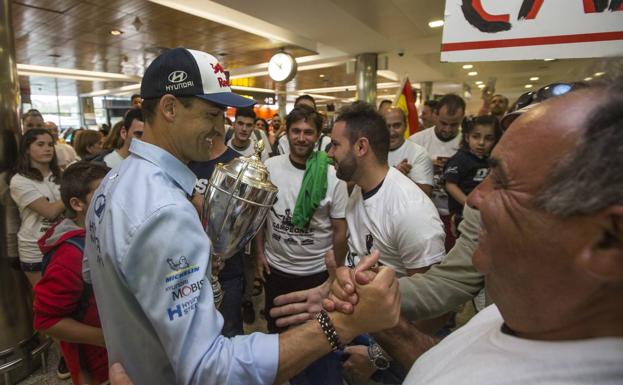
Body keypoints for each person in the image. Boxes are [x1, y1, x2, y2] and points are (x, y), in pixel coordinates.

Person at [84, 47, 400, 385]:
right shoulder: (167, 211)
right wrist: (340, 325)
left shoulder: (113, 182)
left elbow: (96, 273)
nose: (221, 128)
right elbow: (210, 368)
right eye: (211, 114)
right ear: (170, 108)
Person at [333, 81, 623, 384]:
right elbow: (447, 283)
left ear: (607, 239)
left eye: (505, 182)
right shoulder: (502, 314)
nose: (473, 198)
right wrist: (356, 292)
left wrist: (378, 350)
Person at [255, 105, 348, 384]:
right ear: (287, 133)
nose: (301, 138)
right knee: (281, 344)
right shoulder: (270, 168)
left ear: (319, 136)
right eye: (296, 131)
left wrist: (335, 275)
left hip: (316, 276)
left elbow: (340, 231)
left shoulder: (333, 177)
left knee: (319, 344)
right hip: (278, 271)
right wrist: (259, 254)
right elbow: (259, 216)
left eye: (309, 132)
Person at [33, 161, 110, 385]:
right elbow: (46, 320)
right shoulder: (71, 255)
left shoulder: (109, 233)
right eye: (104, 193)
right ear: (77, 204)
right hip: (96, 365)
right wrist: (108, 338)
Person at [188, 120, 247, 337]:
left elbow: (244, 218)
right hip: (189, 265)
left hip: (227, 268)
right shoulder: (185, 161)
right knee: (195, 336)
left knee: (229, 332)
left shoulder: (237, 163)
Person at [9, 128, 64, 287]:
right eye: (40, 144)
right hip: (35, 247)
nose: (47, 148)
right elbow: (50, 211)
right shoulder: (19, 180)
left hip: (62, 242)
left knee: (67, 299)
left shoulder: (59, 174)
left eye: (50, 144)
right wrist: (74, 192)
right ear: (27, 149)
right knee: (47, 302)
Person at [410, 94, 464, 251]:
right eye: (443, 123)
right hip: (424, 214)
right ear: (435, 115)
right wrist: (424, 166)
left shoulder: (467, 142)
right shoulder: (416, 141)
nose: (447, 129)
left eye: (454, 125)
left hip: (456, 214)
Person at [444, 115, 502, 231]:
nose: (481, 142)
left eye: (488, 138)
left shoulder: (493, 160)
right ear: (467, 137)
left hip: (488, 214)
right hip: (464, 214)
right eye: (476, 137)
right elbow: (450, 184)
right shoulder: (460, 159)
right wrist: (469, 204)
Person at [383, 107, 433, 196]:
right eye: (387, 126)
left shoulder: (419, 153)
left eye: (397, 125)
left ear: (405, 126)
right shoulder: (371, 152)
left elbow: (426, 193)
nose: (391, 132)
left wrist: (401, 178)